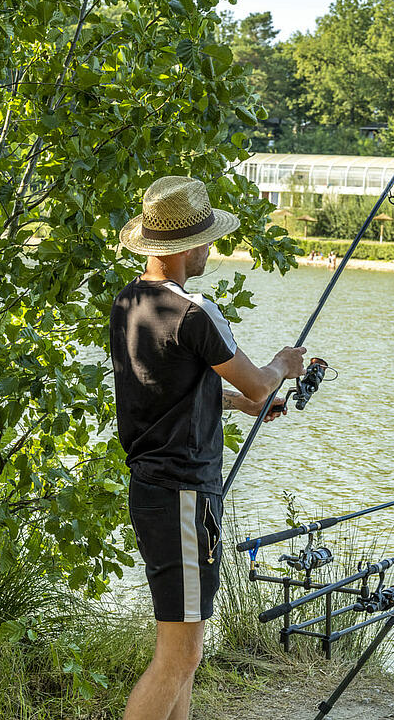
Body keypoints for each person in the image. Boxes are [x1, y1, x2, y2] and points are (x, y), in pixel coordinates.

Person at [109, 176, 306, 720]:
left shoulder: (130, 303)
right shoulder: (195, 311)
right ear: (185, 247)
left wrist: (240, 408)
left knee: (184, 654)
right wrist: (283, 366)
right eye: (205, 241)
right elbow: (260, 380)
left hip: (153, 491)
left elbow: (170, 388)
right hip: (183, 496)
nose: (209, 251)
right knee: (181, 656)